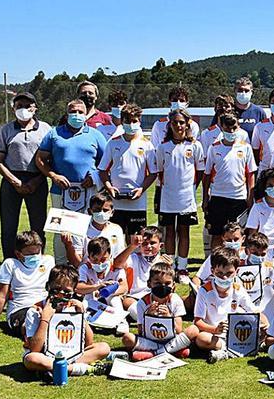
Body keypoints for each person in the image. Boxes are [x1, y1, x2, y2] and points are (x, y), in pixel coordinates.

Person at [35, 99, 107, 264]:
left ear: (85, 114)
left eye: (80, 112)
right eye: (73, 112)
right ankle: (60, 267)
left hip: (88, 191)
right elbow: (40, 159)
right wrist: (53, 175)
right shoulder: (54, 134)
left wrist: (95, 177)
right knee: (61, 230)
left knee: (87, 229)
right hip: (60, 192)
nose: (77, 115)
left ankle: (85, 266)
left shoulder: (96, 135)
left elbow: (106, 162)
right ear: (67, 114)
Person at [21, 265, 111, 376]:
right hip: (44, 355)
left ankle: (53, 369)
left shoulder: (73, 307)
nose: (60, 294)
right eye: (56, 289)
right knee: (31, 358)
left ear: (74, 292)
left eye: (66, 292)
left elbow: (89, 343)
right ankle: (82, 369)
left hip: (70, 354)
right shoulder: (35, 311)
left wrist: (81, 316)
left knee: (103, 348)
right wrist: (45, 318)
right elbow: (35, 348)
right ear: (47, 286)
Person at [0, 92, 51, 259]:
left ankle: (37, 261)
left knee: (38, 226)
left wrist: (36, 181)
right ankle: (10, 263)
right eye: (19, 106)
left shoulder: (45, 129)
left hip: (37, 179)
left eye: (28, 106)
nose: (24, 109)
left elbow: (50, 160)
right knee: (9, 227)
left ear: (35, 108)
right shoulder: (6, 130)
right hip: (11, 181)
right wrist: (15, 182)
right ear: (13, 109)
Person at [194, 247, 269, 363]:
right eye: (219, 273)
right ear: (212, 271)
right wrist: (215, 329)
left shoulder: (237, 288)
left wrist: (265, 322)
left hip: (236, 331)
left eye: (229, 273)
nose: (224, 277)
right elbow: (197, 321)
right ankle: (235, 349)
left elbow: (253, 310)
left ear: (237, 271)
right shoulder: (204, 291)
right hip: (215, 334)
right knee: (201, 339)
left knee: (263, 325)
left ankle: (227, 351)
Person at [155, 108, 204, 281]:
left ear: (187, 124)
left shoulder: (195, 146)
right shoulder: (163, 147)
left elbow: (199, 172)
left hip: (186, 199)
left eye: (181, 122)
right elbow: (160, 171)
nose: (178, 125)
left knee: (184, 232)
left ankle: (182, 269)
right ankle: (169, 268)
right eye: (175, 122)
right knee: (169, 232)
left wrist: (190, 188)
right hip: (168, 198)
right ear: (170, 124)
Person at [98, 103, 157, 238]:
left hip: (137, 204)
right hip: (116, 203)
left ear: (139, 121)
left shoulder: (147, 145)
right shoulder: (113, 143)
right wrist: (109, 188)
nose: (131, 124)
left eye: (134, 121)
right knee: (114, 241)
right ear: (122, 121)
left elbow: (153, 173)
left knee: (136, 242)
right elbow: (102, 170)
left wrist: (141, 189)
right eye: (127, 121)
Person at [121, 262, 198, 360]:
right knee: (127, 338)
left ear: (173, 285)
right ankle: (172, 351)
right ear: (149, 284)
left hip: (171, 339)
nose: (162, 286)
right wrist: (148, 316)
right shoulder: (142, 303)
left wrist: (169, 317)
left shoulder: (175, 300)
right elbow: (141, 332)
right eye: (157, 283)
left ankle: (155, 353)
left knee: (193, 329)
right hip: (150, 341)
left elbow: (178, 330)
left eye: (167, 283)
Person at [0, 231, 55, 335]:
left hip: (43, 305)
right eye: (30, 254)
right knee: (30, 326)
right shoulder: (10, 265)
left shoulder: (49, 261)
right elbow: (2, 296)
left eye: (37, 252)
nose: (35, 256)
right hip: (20, 308)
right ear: (18, 254)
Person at [203, 113, 257, 246]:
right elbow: (207, 175)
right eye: (227, 129)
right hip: (218, 197)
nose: (231, 132)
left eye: (234, 128)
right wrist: (205, 198)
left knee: (238, 235)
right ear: (221, 127)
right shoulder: (214, 148)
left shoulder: (245, 148)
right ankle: (215, 263)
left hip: (239, 198)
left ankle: (238, 264)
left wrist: (250, 198)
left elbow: (250, 174)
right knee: (217, 234)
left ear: (238, 127)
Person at [115, 226, 166, 322]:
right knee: (127, 302)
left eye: (152, 243)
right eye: (145, 243)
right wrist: (132, 246)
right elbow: (117, 264)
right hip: (135, 297)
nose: (148, 246)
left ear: (161, 246)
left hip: (156, 296)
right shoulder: (134, 257)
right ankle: (146, 320)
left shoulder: (164, 261)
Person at [76, 237, 128, 327]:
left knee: (114, 299)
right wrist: (96, 287)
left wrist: (107, 291)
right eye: (95, 260)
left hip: (110, 298)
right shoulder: (84, 268)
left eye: (103, 259)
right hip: (92, 298)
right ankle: (84, 319)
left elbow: (124, 287)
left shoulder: (116, 268)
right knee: (88, 296)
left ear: (110, 256)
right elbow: (78, 287)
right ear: (89, 257)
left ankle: (122, 322)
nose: (99, 263)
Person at [76, 193, 126, 264]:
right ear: (90, 211)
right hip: (87, 270)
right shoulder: (81, 229)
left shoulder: (117, 229)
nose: (101, 213)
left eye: (105, 210)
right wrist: (68, 245)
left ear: (112, 212)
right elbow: (77, 262)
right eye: (97, 210)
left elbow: (119, 255)